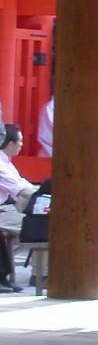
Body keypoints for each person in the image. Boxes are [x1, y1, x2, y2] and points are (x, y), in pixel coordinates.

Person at [0, 124, 37, 291]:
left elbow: (22, 183)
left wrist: (40, 192)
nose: (22, 144)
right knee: (38, 227)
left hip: (7, 208)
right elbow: (19, 190)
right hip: (2, 210)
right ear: (10, 144)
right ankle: (40, 275)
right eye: (20, 141)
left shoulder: (7, 163)